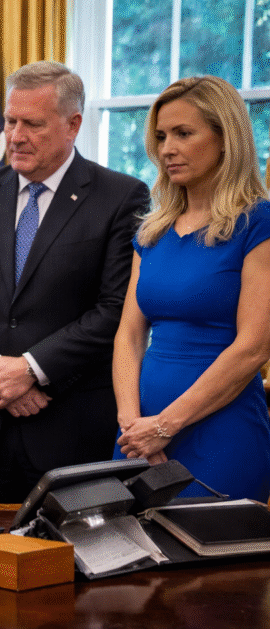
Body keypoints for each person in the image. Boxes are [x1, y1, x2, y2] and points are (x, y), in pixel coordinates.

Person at [0, 61, 150, 503]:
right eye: (10, 121)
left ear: (73, 125)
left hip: (70, 429)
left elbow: (113, 311)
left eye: (33, 124)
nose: (16, 136)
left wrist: (31, 369)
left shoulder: (120, 196)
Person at [112, 76, 270, 501]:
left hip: (221, 433)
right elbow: (128, 333)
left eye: (184, 133)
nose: (167, 149)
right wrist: (132, 425)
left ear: (225, 139)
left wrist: (166, 425)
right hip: (139, 436)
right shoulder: (152, 231)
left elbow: (253, 347)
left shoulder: (258, 223)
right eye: (161, 136)